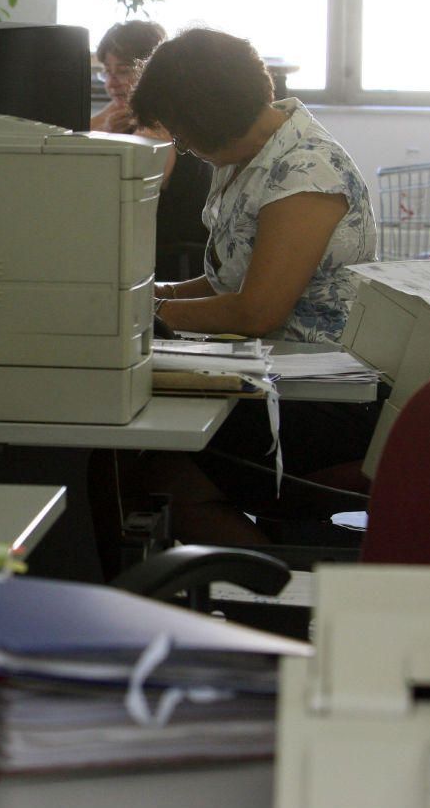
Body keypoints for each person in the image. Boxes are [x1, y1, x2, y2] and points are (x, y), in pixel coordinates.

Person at [99, 27, 380, 547]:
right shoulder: (250, 156)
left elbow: (257, 310)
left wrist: (139, 314)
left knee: (158, 478)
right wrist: (153, 294)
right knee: (128, 450)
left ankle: (265, 592)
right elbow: (229, 276)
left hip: (328, 398)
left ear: (209, 117)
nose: (182, 144)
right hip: (278, 374)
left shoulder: (305, 172)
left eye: (182, 130)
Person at [90, 21, 211, 282]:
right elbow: (68, 132)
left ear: (151, 73)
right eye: (106, 72)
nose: (111, 83)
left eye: (122, 71)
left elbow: (116, 194)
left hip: (165, 261)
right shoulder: (127, 112)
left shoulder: (157, 126)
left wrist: (108, 135)